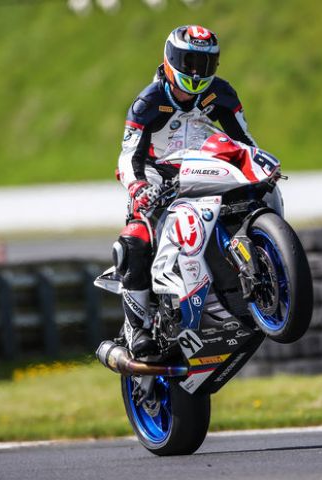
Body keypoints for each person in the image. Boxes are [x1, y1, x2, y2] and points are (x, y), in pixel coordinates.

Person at [114, 25, 258, 356]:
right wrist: (138, 187)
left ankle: (250, 272)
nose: (196, 72)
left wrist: (258, 166)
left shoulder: (221, 94)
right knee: (136, 238)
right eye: (189, 62)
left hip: (203, 166)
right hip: (156, 172)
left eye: (204, 64)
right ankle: (136, 328)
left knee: (253, 191)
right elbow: (129, 156)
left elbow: (244, 140)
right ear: (170, 60)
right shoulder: (147, 103)